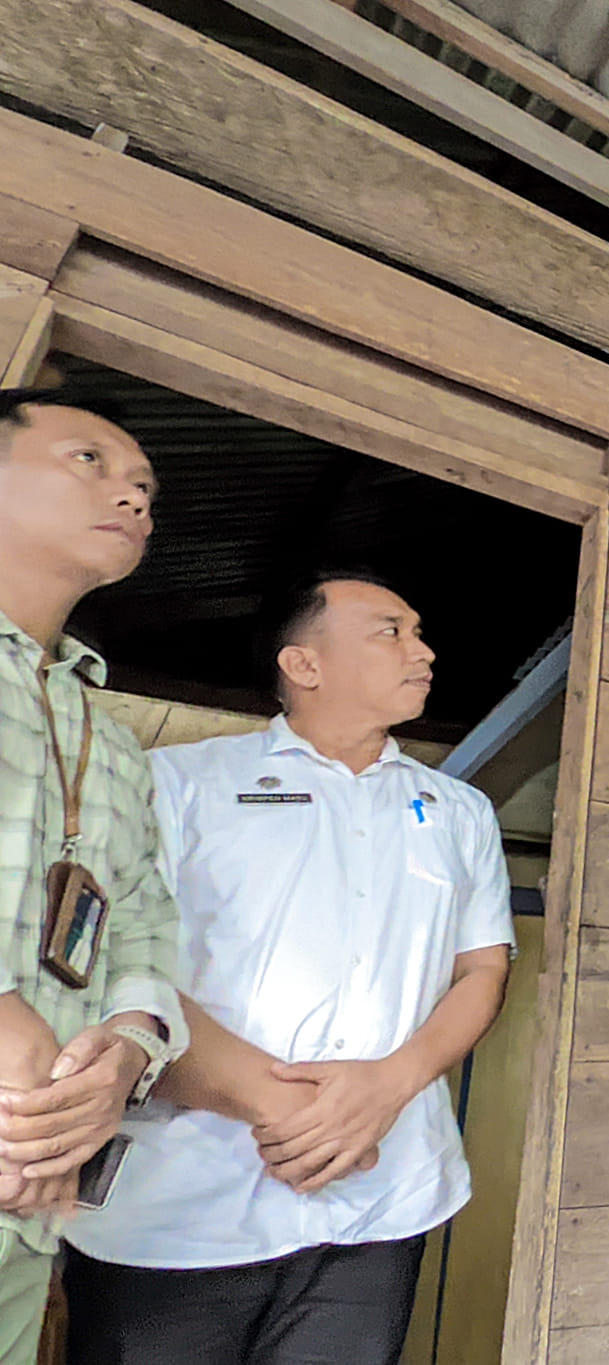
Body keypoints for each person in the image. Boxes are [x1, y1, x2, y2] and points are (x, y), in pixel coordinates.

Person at [62, 571, 515, 1365]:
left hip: (380, 1203)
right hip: (182, 1208)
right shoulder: (179, 783)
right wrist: (288, 1110)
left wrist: (392, 1082)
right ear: (304, 664)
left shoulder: (459, 811)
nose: (424, 651)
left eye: (419, 632)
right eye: (392, 630)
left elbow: (481, 969)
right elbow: (116, 961)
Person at [0, 390, 189, 1361]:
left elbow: (144, 916)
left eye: (145, 487)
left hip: (31, 1191)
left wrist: (125, 1052)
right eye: (88, 460)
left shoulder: (108, 741)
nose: (133, 496)